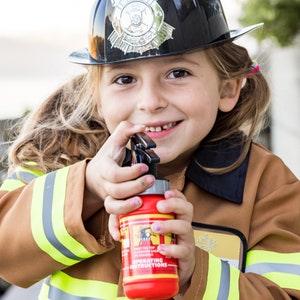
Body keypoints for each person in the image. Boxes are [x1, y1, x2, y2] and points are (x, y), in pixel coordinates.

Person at [0, 0, 299, 299]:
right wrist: (88, 189)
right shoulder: (59, 158)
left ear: (227, 88)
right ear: (98, 99)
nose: (150, 101)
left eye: (178, 73)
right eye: (125, 79)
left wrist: (198, 275)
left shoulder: (266, 185)